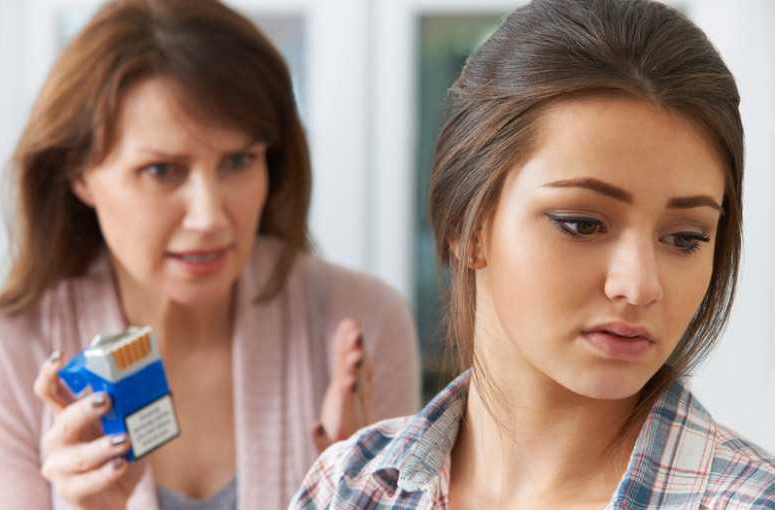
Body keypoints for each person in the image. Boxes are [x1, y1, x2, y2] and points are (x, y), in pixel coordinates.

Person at [291, 0, 775, 508]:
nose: (640, 285)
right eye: (582, 224)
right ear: (467, 225)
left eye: (685, 238)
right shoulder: (349, 485)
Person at [0, 1, 420, 509]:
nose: (209, 217)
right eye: (161, 171)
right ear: (80, 173)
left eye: (239, 160)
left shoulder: (364, 320)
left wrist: (350, 493)